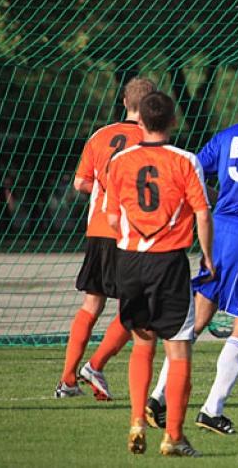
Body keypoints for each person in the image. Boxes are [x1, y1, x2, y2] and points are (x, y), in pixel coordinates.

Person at [144, 76, 238, 436]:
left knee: (196, 317)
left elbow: (193, 169)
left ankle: (158, 396)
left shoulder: (227, 135)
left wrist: (220, 192)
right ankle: (212, 409)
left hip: (219, 229)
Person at [105, 91, 214, 456]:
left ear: (140, 122)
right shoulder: (185, 161)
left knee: (142, 342)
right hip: (168, 263)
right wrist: (209, 258)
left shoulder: (119, 162)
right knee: (179, 350)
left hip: (129, 261)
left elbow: (110, 215)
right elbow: (201, 213)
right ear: (172, 122)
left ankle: (137, 419)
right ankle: (174, 436)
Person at [56, 76, 156, 401]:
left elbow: (80, 183)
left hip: (97, 228)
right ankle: (95, 365)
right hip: (128, 233)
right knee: (138, 308)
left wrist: (104, 188)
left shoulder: (100, 135)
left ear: (125, 102)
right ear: (152, 104)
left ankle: (67, 379)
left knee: (92, 302)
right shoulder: (149, 139)